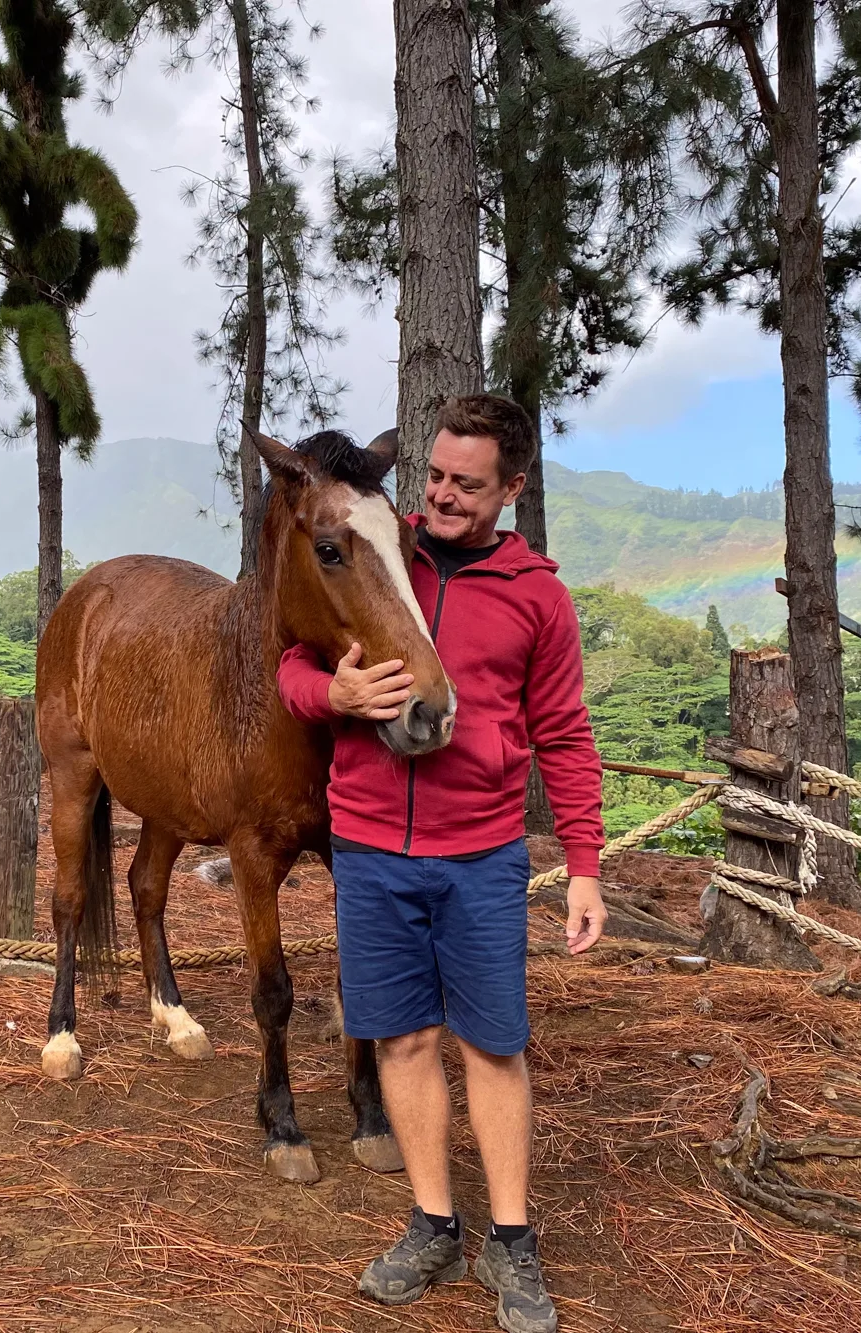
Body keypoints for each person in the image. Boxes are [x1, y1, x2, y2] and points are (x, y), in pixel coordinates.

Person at [277, 393, 606, 1333]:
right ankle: (433, 1225)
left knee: (494, 1047)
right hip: (370, 847)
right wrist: (332, 694)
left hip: (481, 854)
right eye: (435, 475)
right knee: (403, 1041)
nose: (443, 495)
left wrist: (584, 862)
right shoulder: (382, 547)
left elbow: (565, 735)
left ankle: (512, 1240)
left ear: (513, 487)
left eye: (467, 482)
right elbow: (290, 661)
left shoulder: (537, 595)